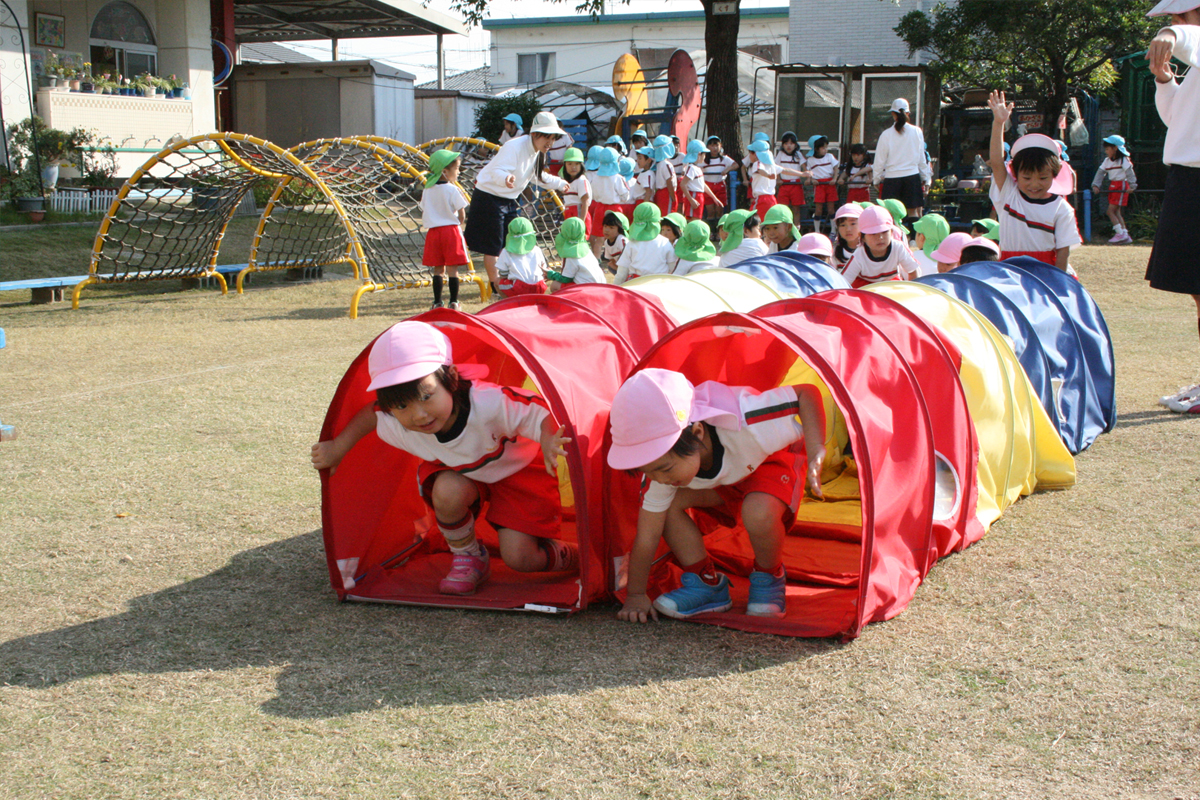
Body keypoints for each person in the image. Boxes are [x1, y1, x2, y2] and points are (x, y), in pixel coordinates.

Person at [310, 321, 576, 596]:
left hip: (516, 470)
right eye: (402, 405)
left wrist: (547, 437)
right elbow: (371, 414)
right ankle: (470, 556)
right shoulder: (400, 420)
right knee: (446, 491)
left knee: (521, 559)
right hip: (464, 471)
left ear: (450, 377)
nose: (419, 415)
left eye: (427, 396)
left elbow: (539, 408)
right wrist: (338, 447)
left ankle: (577, 557)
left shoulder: (487, 403)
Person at [607, 368, 826, 621]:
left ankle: (769, 574)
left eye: (665, 470)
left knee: (757, 512)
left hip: (768, 463)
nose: (661, 479)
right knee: (664, 508)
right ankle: (706, 584)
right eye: (651, 473)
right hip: (727, 481)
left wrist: (816, 447)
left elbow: (805, 394)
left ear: (697, 433)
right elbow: (647, 536)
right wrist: (635, 595)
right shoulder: (660, 469)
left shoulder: (748, 420)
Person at [1145, 0, 1200, 413]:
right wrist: (1165, 80)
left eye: (1181, 16)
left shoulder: (1190, 41)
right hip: (1187, 180)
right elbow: (1177, 122)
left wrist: (1174, 36)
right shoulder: (1194, 67)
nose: (1175, 24)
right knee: (1198, 292)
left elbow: (1190, 38)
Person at [465, 111, 570, 292]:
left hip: (509, 199)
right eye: (547, 138)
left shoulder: (537, 152)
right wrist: (506, 178)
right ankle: (496, 288)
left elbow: (537, 176)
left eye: (553, 139)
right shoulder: (514, 146)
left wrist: (560, 183)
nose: (550, 143)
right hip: (489, 197)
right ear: (535, 134)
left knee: (513, 242)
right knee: (494, 246)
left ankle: (509, 282)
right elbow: (497, 170)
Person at [987, 91, 1081, 270]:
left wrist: (1058, 283)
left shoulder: (1061, 208)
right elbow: (998, 163)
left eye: (1043, 177)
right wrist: (998, 123)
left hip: (1046, 271)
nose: (1034, 184)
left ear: (1055, 174)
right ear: (1015, 173)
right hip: (1010, 269)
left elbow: (1063, 252)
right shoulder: (1009, 193)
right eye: (1027, 177)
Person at [420, 150, 470, 310]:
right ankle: (454, 302)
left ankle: (437, 302)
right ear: (445, 172)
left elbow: (424, 208)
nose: (458, 172)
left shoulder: (427, 189)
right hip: (451, 231)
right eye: (456, 169)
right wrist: (459, 221)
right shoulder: (452, 189)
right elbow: (462, 212)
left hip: (434, 233)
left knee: (438, 268)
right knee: (452, 268)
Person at [873, 98, 932, 222]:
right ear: (908, 114)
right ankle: (913, 241)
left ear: (893, 114)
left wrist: (876, 179)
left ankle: (895, 239)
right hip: (912, 177)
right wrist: (925, 179)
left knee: (891, 214)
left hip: (892, 178)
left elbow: (879, 160)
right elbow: (922, 158)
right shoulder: (917, 131)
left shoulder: (886, 134)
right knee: (913, 212)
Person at [839, 205, 919, 287]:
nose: (880, 237)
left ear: (891, 232)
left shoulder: (898, 247)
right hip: (864, 285)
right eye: (873, 233)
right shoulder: (859, 255)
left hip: (889, 282)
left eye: (884, 232)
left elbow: (913, 271)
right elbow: (843, 282)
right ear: (862, 237)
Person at [1092, 135, 1138, 244]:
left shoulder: (1123, 160)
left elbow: (1130, 173)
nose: (1106, 151)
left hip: (1121, 185)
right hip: (1113, 185)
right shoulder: (1107, 161)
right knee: (1116, 211)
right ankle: (1124, 234)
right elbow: (1100, 173)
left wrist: (1132, 185)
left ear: (1115, 148)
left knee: (1110, 211)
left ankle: (1119, 233)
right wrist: (1095, 185)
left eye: (1108, 149)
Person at [615, 202, 676, 284]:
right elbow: (672, 267)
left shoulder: (632, 243)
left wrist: (616, 288)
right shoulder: (664, 242)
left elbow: (622, 273)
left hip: (636, 285)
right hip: (659, 285)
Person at [548, 216, 605, 291]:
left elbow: (565, 279)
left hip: (587, 289)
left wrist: (551, 274)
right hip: (602, 285)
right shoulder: (586, 249)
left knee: (555, 285)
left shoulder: (571, 254)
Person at [589, 148, 629, 253]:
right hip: (615, 208)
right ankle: (617, 257)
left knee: (599, 238)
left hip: (600, 207)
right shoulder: (618, 178)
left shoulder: (596, 177)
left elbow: (593, 194)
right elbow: (625, 196)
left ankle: (596, 260)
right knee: (618, 236)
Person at [495, 217, 548, 297]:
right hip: (539, 286)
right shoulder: (537, 249)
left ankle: (510, 301)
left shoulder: (506, 251)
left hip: (518, 287)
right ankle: (537, 300)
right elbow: (543, 268)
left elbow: (503, 274)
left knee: (497, 281)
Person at [679, 139, 723, 220]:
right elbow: (683, 184)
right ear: (699, 154)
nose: (705, 156)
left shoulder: (697, 168)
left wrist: (714, 198)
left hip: (699, 196)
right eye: (704, 154)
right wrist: (691, 199)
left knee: (697, 219)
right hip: (694, 195)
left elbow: (702, 184)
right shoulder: (691, 168)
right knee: (693, 220)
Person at [806, 135, 840, 233]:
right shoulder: (811, 160)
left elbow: (836, 168)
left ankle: (833, 230)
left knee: (831, 209)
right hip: (819, 185)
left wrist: (835, 178)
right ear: (816, 148)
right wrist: (812, 179)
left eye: (826, 147)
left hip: (830, 183)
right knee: (818, 209)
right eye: (823, 148)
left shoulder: (830, 156)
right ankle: (817, 231)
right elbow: (809, 172)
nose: (825, 150)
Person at [701, 136, 737, 224]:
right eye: (712, 145)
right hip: (708, 186)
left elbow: (736, 165)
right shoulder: (704, 160)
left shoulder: (724, 159)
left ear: (720, 146)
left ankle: (719, 230)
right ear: (708, 147)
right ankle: (711, 230)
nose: (715, 148)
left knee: (719, 211)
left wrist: (726, 170)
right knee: (710, 211)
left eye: (716, 145)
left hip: (720, 185)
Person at [775, 132, 808, 223]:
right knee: (783, 208)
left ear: (795, 144)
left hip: (796, 184)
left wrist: (808, 177)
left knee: (796, 208)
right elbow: (776, 167)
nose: (789, 146)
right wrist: (778, 179)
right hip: (784, 184)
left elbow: (804, 167)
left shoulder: (798, 154)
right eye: (786, 144)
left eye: (791, 143)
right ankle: (783, 228)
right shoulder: (780, 154)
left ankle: (796, 228)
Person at [559, 147, 591, 235]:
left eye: (577, 164)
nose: (573, 167)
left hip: (578, 212)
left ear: (581, 165)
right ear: (564, 165)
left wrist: (581, 222)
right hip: (569, 212)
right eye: (569, 164)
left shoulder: (581, 180)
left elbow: (585, 202)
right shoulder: (566, 181)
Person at [652, 135, 679, 215]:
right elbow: (669, 181)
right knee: (669, 214)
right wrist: (673, 197)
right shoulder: (666, 164)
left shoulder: (659, 164)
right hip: (667, 193)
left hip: (660, 194)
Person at [599, 210, 629, 274]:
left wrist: (619, 268)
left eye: (611, 227)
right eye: (605, 226)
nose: (606, 230)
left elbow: (628, 260)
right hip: (621, 267)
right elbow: (611, 260)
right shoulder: (607, 242)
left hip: (630, 267)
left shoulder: (622, 240)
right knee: (610, 266)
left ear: (620, 230)